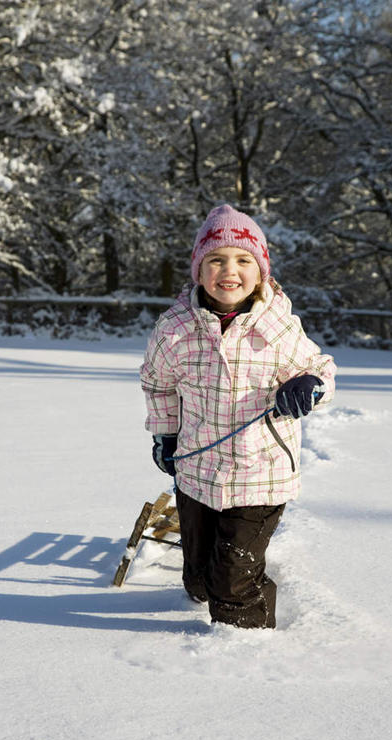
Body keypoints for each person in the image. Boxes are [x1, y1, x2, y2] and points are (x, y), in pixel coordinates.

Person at [140, 204, 336, 629]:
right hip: (196, 469)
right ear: (198, 269)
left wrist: (308, 385)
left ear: (260, 270)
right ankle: (204, 583)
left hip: (261, 473)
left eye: (243, 260)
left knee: (232, 582)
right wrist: (165, 435)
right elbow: (157, 383)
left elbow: (321, 370)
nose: (230, 270)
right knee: (198, 578)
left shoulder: (278, 327)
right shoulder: (175, 329)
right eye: (216, 259)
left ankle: (245, 649)